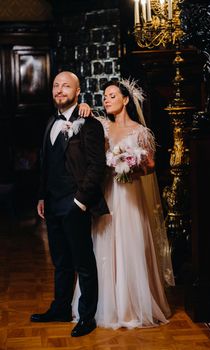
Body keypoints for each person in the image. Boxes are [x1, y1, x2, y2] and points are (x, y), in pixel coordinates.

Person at [72, 79, 175, 329]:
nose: (106, 99)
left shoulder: (139, 132)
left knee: (131, 245)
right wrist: (83, 105)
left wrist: (130, 166)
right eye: (105, 96)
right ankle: (104, 305)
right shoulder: (102, 127)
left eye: (112, 95)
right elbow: (85, 130)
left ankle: (131, 306)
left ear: (126, 100)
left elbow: (150, 165)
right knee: (104, 244)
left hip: (129, 198)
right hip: (107, 194)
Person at [30, 71, 109, 337]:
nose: (59, 90)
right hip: (52, 203)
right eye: (55, 86)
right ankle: (61, 308)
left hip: (75, 203)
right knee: (61, 261)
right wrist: (42, 196)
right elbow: (46, 164)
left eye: (66, 86)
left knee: (83, 263)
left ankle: (87, 317)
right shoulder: (50, 121)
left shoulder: (90, 123)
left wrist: (81, 202)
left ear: (77, 92)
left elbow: (98, 166)